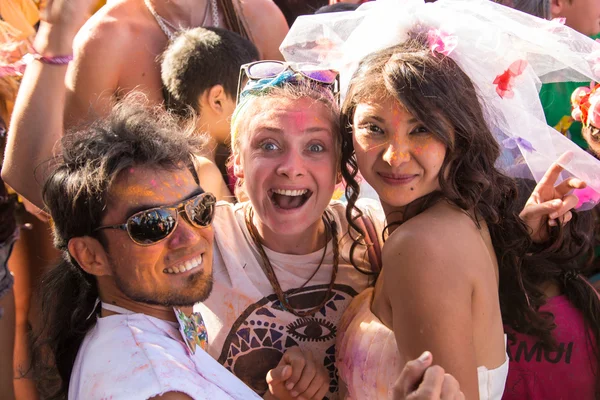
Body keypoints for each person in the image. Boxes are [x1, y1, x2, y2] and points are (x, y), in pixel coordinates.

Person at [280, 0, 600, 398]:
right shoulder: (456, 215)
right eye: (374, 128)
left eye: (421, 130)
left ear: (459, 135)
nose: (395, 155)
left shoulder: (421, 247)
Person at [161, 26, 259, 201]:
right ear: (217, 100)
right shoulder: (203, 171)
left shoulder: (174, 158)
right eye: (247, 95)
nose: (255, 108)